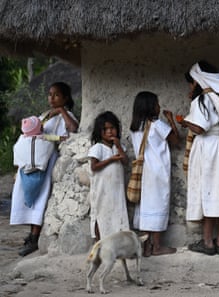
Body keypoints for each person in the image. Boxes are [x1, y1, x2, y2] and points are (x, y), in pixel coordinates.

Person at [179, 60, 219, 256]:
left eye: (191, 83)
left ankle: (208, 242)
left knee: (209, 196)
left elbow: (200, 128)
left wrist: (185, 122)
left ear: (198, 81)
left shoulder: (202, 100)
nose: (190, 87)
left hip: (209, 150)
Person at [10, 82, 79, 256]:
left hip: (47, 163)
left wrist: (62, 111)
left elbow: (73, 128)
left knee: (40, 198)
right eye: (50, 94)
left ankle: (34, 237)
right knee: (28, 196)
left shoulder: (66, 115)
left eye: (56, 95)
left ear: (65, 98)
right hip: (31, 163)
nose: (52, 98)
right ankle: (31, 234)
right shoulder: (44, 116)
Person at [129, 91, 179, 256]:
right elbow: (175, 140)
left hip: (143, 173)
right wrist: (171, 119)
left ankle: (146, 246)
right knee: (158, 205)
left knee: (144, 207)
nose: (159, 107)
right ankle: (157, 246)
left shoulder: (135, 128)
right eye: (157, 104)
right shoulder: (157, 125)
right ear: (151, 107)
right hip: (157, 173)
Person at [88, 111, 130, 242]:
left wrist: (118, 146)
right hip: (102, 189)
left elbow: (125, 161)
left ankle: (116, 244)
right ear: (99, 131)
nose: (109, 132)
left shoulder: (119, 147)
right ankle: (99, 243)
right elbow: (94, 167)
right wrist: (111, 160)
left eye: (112, 128)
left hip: (116, 190)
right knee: (100, 213)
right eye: (105, 129)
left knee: (117, 214)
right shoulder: (97, 148)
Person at [13, 116, 66, 209]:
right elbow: (56, 137)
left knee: (27, 185)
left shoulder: (22, 139)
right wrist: (64, 138)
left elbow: (17, 149)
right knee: (35, 183)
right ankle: (29, 200)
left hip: (24, 169)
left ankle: (28, 200)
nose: (42, 126)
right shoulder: (43, 137)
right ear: (37, 129)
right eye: (40, 125)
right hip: (37, 168)